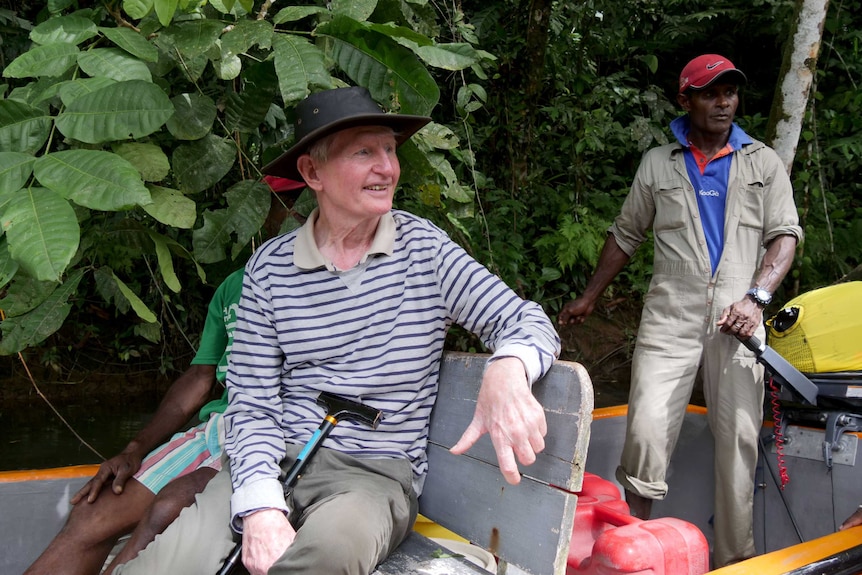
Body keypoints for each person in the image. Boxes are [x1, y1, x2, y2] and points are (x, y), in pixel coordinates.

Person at [113, 85, 561, 575]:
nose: (387, 167)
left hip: (375, 477)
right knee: (159, 568)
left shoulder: (424, 249)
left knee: (327, 557)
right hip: (276, 457)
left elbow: (524, 320)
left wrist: (508, 367)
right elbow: (253, 403)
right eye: (364, 152)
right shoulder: (269, 270)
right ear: (312, 173)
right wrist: (261, 506)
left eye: (390, 150)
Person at [558, 54, 802, 568]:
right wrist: (590, 296)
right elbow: (626, 235)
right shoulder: (658, 163)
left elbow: (785, 237)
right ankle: (633, 550)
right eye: (712, 93)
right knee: (644, 433)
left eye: (731, 92)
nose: (724, 102)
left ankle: (736, 560)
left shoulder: (762, 162)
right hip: (671, 313)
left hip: (741, 318)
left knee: (738, 439)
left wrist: (756, 298)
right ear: (685, 99)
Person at [24, 178, 305, 575]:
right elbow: (200, 376)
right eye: (281, 204)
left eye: (299, 204)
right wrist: (134, 448)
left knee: (169, 507)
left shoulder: (338, 286)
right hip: (218, 427)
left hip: (277, 434)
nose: (292, 214)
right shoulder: (235, 285)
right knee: (92, 513)